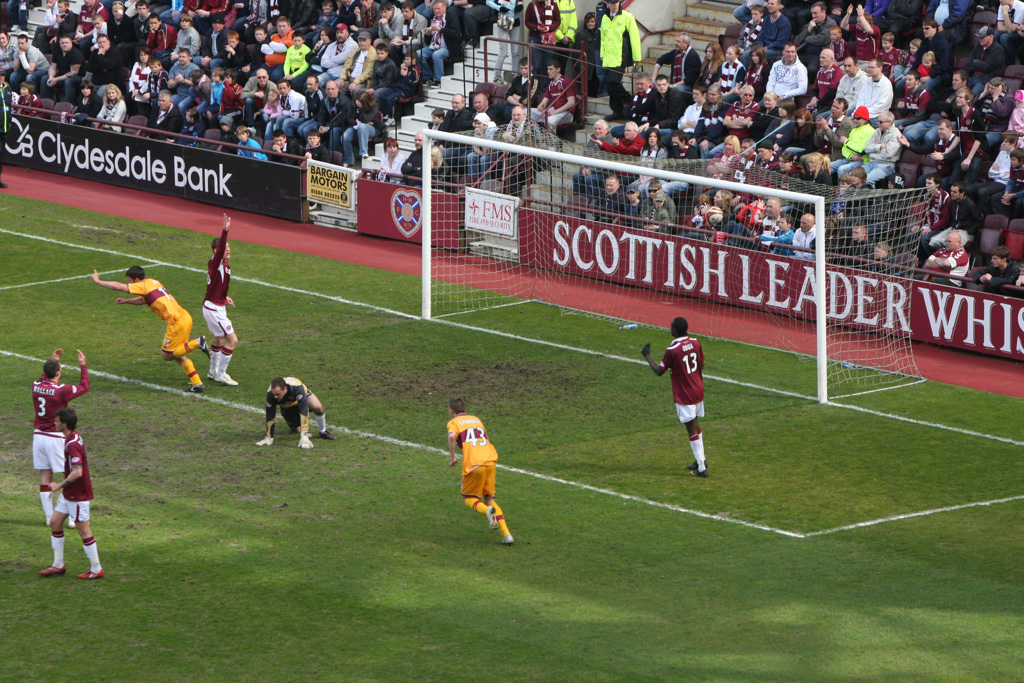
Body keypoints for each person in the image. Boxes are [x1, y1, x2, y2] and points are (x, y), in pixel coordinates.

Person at [91, 266, 210, 392]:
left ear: (137, 280)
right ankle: (197, 384)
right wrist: (127, 301)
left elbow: (118, 286)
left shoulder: (142, 285)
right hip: (185, 317)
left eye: (130, 281)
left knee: (167, 355)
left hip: (176, 323)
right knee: (178, 353)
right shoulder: (152, 282)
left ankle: (197, 343)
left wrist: (98, 281)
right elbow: (145, 299)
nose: (129, 284)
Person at [39, 408, 104, 579]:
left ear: (65, 424)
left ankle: (96, 569)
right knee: (54, 522)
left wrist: (59, 484)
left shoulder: (72, 443)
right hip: (70, 493)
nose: (54, 422)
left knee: (83, 530)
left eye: (57, 420)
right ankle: (58, 564)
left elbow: (78, 472)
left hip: (78, 495)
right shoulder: (72, 437)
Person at [641, 317, 708, 477]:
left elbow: (659, 371)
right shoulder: (696, 342)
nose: (670, 329)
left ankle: (701, 468)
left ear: (676, 330)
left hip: (685, 393)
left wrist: (647, 355)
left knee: (690, 427)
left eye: (671, 327)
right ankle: (701, 460)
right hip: (697, 389)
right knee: (695, 424)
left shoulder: (673, 349)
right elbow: (702, 364)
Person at [31, 348, 89, 526]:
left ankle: (49, 517)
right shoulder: (61, 391)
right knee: (69, 475)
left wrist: (53, 360)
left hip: (38, 437)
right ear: (58, 372)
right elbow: (84, 387)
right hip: (55, 437)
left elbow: (46, 378)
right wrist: (83, 365)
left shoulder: (36, 384)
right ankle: (72, 517)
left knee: (45, 476)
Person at [446, 396, 513, 545]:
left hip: (474, 464)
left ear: (452, 411)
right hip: (490, 460)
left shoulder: (453, 422)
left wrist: (452, 458)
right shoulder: (476, 419)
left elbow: (451, 435)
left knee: (468, 498)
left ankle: (486, 511)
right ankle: (507, 534)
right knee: (490, 499)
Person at [256, 376, 337, 448]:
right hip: (287, 406)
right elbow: (270, 416)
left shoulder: (297, 388)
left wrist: (304, 435)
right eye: (274, 394)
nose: (275, 397)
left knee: (318, 407)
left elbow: (303, 410)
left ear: (285, 389)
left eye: (277, 394)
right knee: (297, 430)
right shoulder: (271, 395)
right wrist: (269, 437)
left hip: (301, 400)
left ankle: (323, 431)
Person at [599, 0, 641, 122]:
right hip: (607, 57)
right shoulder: (605, 17)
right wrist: (602, 53)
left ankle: (628, 99)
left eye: (616, 2)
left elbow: (634, 37)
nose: (615, 4)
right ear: (607, 3)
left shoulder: (627, 16)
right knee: (609, 86)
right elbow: (603, 38)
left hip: (620, 57)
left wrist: (636, 57)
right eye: (612, 2)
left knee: (612, 81)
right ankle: (617, 111)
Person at [0, 66, 10, 189]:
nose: (1, 78)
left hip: (4, 127)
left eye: (2, 76)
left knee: (1, 155)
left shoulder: (7, 88)